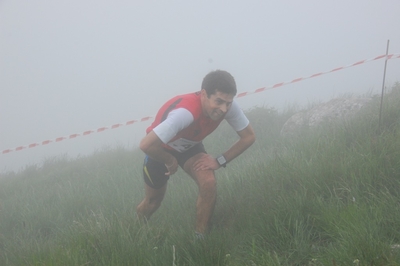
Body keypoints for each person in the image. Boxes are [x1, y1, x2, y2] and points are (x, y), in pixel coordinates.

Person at [136, 70, 255, 237]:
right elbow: (146, 144)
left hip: (189, 145)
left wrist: (220, 160)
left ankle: (200, 238)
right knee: (153, 202)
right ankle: (135, 229)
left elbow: (249, 137)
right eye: (219, 101)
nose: (223, 109)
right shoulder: (185, 113)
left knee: (208, 182)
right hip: (160, 148)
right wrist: (169, 160)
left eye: (228, 103)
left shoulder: (229, 108)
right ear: (204, 94)